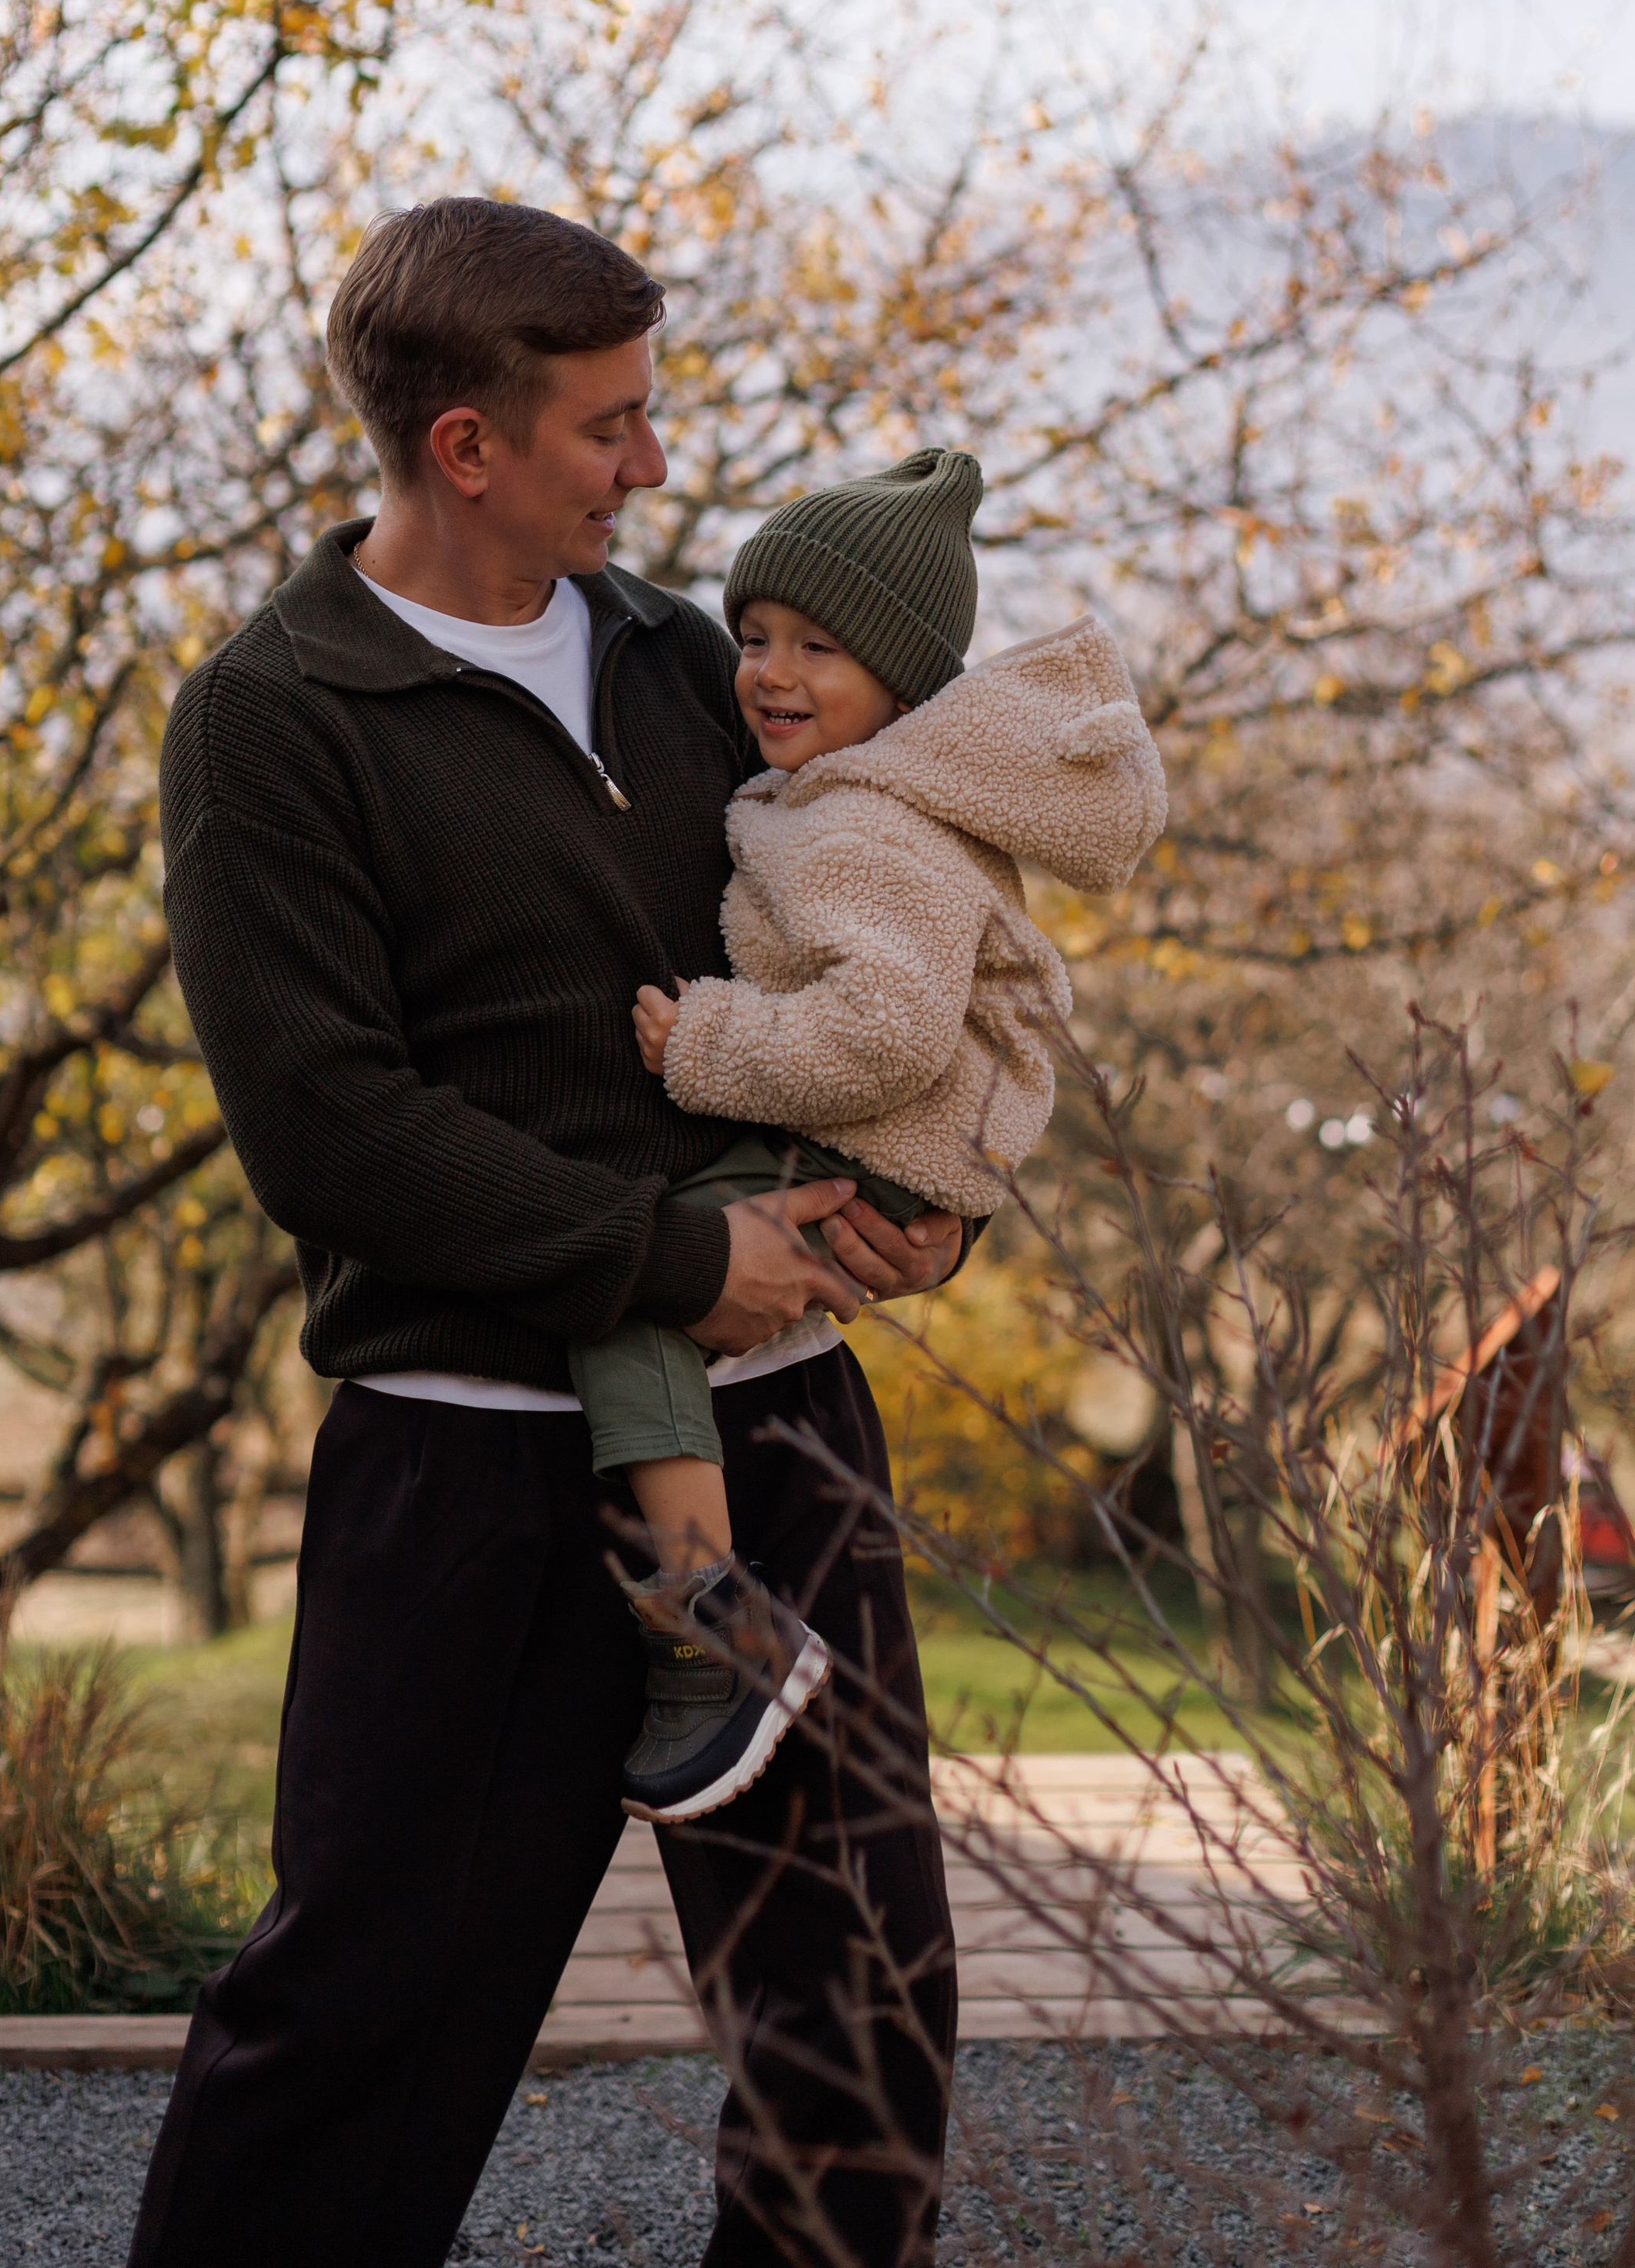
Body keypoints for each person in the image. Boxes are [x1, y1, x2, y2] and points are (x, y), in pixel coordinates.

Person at [127, 196, 965, 2268]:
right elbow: (329, 1128)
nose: (657, 464)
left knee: (861, 2028)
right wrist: (668, 1263)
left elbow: (898, 931)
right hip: (470, 1469)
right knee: (362, 2032)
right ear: (465, 447)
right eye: (612, 428)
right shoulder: (274, 720)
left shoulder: (703, 666)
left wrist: (934, 1198)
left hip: (781, 1437)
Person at [582, 450, 1167, 1830]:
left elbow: (890, 1031)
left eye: (820, 649)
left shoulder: (857, 824)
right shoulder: (855, 797)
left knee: (634, 1299)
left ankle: (707, 1631)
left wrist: (709, 1043)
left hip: (870, 1133)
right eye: (761, 637)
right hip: (892, 1142)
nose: (773, 673)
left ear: (902, 684)